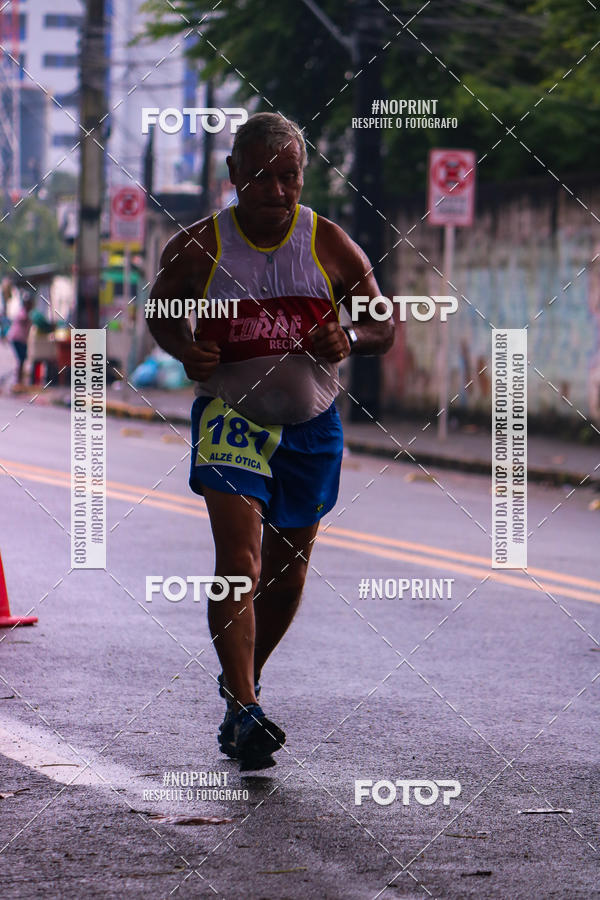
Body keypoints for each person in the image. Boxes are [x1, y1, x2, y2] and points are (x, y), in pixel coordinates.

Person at [148, 112, 394, 770]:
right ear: (233, 175)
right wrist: (185, 349)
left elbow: (383, 324)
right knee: (241, 562)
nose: (276, 191)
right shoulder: (200, 247)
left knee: (286, 579)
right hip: (231, 419)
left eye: (289, 177)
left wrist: (351, 337)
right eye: (260, 176)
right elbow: (160, 310)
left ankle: (241, 688)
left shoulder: (328, 243)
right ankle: (247, 707)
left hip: (312, 425)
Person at [7, 291, 34, 386]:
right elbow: (23, 319)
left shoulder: (26, 313)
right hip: (17, 338)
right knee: (21, 358)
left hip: (21, 339)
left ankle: (19, 378)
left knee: (22, 358)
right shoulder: (23, 313)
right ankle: (18, 379)